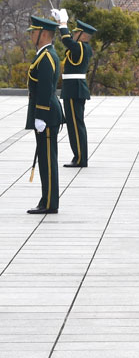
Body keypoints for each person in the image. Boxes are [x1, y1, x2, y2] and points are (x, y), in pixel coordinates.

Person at [25, 15, 63, 215]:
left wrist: (40, 116)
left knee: (47, 160)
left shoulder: (47, 56)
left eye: (34, 31)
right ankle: (46, 199)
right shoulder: (44, 54)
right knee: (45, 159)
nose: (31, 35)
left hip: (46, 116)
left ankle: (49, 202)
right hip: (45, 115)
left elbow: (46, 89)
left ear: (45, 34)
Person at [50, 8, 93, 168]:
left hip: (75, 90)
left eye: (76, 32)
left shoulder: (81, 47)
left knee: (76, 125)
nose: (73, 34)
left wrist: (63, 23)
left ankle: (81, 158)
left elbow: (67, 40)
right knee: (74, 125)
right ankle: (78, 156)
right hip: (73, 89)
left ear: (82, 35)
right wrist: (59, 23)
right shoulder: (81, 47)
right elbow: (68, 41)